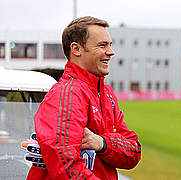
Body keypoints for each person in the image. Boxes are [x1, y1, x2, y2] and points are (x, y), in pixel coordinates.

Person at [26, 16, 141, 180]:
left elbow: (134, 152)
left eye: (110, 45)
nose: (111, 52)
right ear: (76, 49)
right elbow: (66, 168)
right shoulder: (66, 94)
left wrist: (102, 143)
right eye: (102, 45)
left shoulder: (106, 95)